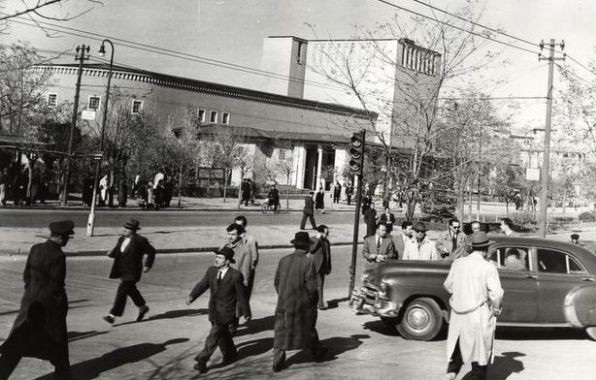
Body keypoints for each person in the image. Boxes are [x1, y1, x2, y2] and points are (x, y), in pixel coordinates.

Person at [0, 220, 75, 380]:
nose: (68, 240)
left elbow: (26, 276)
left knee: (16, 343)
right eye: (68, 237)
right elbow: (57, 285)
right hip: (49, 307)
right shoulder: (58, 256)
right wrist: (61, 307)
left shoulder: (35, 248)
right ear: (62, 237)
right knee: (58, 345)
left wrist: (33, 292)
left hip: (29, 302)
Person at [443, 231, 504, 380]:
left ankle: (451, 373)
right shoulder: (488, 267)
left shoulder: (458, 263)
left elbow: (448, 285)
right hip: (477, 313)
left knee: (458, 345)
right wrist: (496, 308)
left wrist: (461, 295)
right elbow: (496, 293)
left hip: (458, 312)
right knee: (480, 350)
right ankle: (476, 375)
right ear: (485, 249)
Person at [187, 247, 251, 374]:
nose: (216, 259)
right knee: (223, 334)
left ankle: (202, 360)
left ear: (227, 261)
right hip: (213, 310)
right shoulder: (211, 271)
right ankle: (231, 354)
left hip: (227, 311)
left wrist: (247, 312)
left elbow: (242, 295)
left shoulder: (236, 275)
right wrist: (192, 296)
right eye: (216, 257)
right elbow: (202, 284)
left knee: (214, 336)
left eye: (220, 258)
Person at [273, 232, 327, 372]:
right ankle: (317, 352)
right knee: (308, 328)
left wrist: (283, 295)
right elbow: (311, 287)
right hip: (301, 305)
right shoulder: (308, 262)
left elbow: (276, 282)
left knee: (280, 332)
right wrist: (310, 302)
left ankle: (278, 359)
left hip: (283, 303)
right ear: (308, 247)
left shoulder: (283, 260)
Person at [103, 219, 156, 324]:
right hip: (122, 270)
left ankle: (112, 315)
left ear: (133, 230)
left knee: (122, 290)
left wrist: (147, 265)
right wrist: (110, 253)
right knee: (131, 290)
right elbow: (118, 251)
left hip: (133, 271)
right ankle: (142, 307)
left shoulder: (140, 241)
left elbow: (152, 251)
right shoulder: (121, 239)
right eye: (124, 228)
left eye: (127, 229)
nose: (124, 230)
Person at [221, 223, 251, 335]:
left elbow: (246, 271)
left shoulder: (245, 249)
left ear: (240, 235)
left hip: (235, 287)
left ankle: (232, 332)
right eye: (228, 234)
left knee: (234, 316)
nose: (230, 237)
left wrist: (243, 289)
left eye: (233, 234)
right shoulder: (224, 247)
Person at [310, 225, 332, 310]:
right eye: (326, 233)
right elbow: (312, 249)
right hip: (315, 266)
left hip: (322, 267)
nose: (327, 234)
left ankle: (320, 303)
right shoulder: (312, 239)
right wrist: (318, 239)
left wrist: (329, 267)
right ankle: (317, 303)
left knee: (320, 285)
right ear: (320, 233)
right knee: (314, 286)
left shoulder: (326, 242)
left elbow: (328, 255)